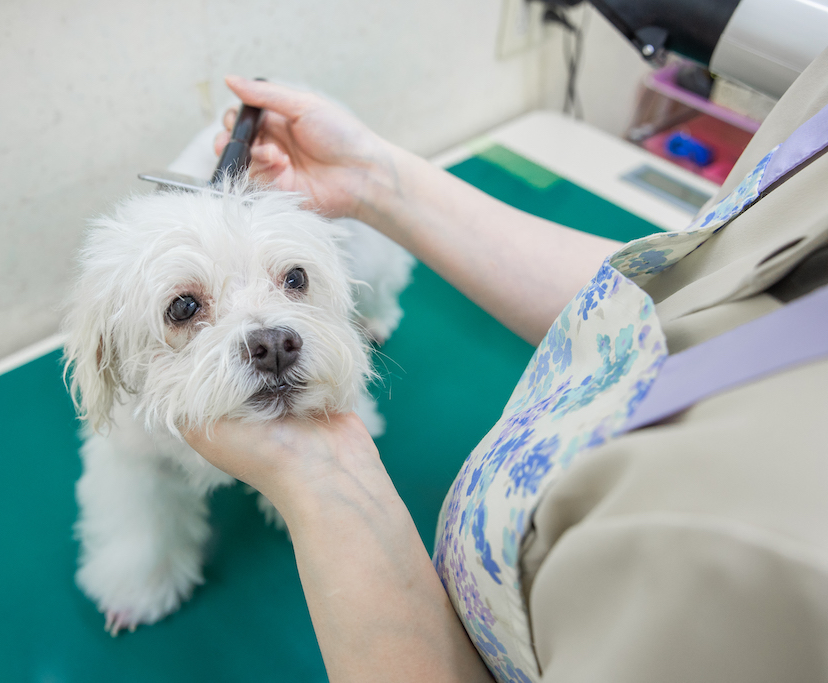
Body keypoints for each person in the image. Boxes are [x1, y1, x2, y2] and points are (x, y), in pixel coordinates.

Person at [184, 47, 828, 683]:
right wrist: (368, 177)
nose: (269, 333)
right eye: (186, 308)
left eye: (294, 280)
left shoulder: (774, 566)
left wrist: (322, 477)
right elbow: (681, 294)